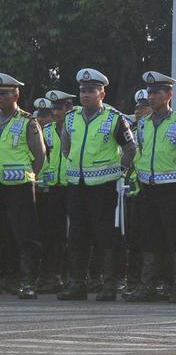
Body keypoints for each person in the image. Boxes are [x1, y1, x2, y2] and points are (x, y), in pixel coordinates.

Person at [58, 69, 135, 301]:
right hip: (77, 185)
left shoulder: (114, 118)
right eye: (82, 91)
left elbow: (131, 149)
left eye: (91, 90)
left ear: (102, 92)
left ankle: (108, 286)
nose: (85, 95)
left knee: (105, 237)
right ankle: (76, 285)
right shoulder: (71, 117)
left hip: (104, 186)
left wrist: (120, 171)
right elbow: (65, 146)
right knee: (77, 236)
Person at [127, 71, 176, 303]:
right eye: (149, 92)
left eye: (157, 92)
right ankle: (148, 285)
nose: (152, 97)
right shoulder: (143, 123)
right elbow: (138, 152)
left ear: (169, 94)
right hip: (148, 187)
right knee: (149, 236)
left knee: (175, 237)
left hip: (171, 188)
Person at [0, 74, 46, 300]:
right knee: (4, 235)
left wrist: (30, 176)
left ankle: (28, 280)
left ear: (15, 95)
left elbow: (39, 156)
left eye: (3, 93)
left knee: (25, 235)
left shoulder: (28, 121)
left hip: (20, 186)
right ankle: (8, 278)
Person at [35, 92, 71, 293]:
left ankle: (72, 276)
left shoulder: (76, 127)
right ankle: (52, 275)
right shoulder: (46, 130)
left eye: (59, 108)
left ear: (68, 108)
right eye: (53, 109)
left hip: (73, 185)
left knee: (74, 234)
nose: (56, 113)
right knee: (52, 234)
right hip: (53, 187)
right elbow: (42, 157)